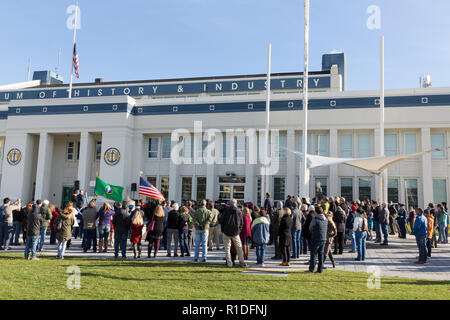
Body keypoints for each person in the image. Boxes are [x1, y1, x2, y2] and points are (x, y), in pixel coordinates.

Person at [219, 199, 247, 268]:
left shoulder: (226, 211)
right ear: (236, 203)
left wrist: (223, 230)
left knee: (227, 248)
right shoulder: (239, 211)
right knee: (239, 248)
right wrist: (239, 230)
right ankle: (241, 261)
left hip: (227, 231)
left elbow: (222, 221)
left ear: (230, 203)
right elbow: (241, 223)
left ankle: (229, 263)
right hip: (235, 232)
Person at [307, 206, 328, 273]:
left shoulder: (315, 219)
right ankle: (320, 270)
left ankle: (312, 269)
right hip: (323, 238)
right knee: (321, 254)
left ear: (316, 212)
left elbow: (310, 227)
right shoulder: (326, 219)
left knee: (313, 254)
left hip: (316, 237)